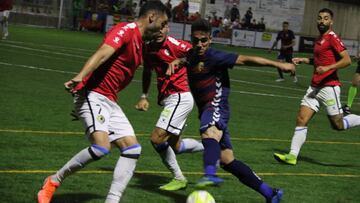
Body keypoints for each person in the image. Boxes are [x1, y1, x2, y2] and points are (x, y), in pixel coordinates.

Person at [37, 1, 170, 203]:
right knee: (101, 147)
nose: (164, 27)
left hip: (109, 100)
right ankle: (53, 181)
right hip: (93, 94)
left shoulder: (142, 42)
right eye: (163, 22)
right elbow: (102, 53)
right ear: (152, 16)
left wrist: (144, 96)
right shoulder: (125, 30)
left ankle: (112, 200)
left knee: (133, 149)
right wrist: (80, 76)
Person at [185, 19, 295, 203]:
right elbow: (187, 59)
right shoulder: (191, 55)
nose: (199, 44)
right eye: (195, 40)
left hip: (216, 107)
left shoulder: (215, 56)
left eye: (203, 40)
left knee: (209, 133)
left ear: (210, 39)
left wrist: (278, 65)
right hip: (207, 109)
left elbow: (246, 59)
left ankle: (210, 173)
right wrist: (177, 61)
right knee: (228, 160)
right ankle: (271, 194)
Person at [273, 8, 360, 165]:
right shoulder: (319, 39)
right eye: (319, 18)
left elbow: (347, 60)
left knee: (338, 125)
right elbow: (319, 60)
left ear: (331, 21)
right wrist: (304, 60)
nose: (322, 21)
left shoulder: (333, 38)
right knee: (301, 118)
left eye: (326, 18)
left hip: (329, 87)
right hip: (314, 87)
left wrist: (328, 68)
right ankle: (292, 156)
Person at [135, 25, 204, 191]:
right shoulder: (149, 48)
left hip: (180, 96)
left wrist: (181, 61)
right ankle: (211, 146)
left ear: (167, 28)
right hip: (169, 99)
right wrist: (144, 95)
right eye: (156, 29)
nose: (159, 32)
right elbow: (147, 71)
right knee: (176, 146)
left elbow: (197, 53)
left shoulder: (176, 45)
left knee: (157, 138)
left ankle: (179, 178)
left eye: (162, 28)